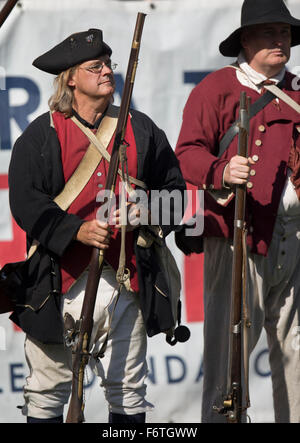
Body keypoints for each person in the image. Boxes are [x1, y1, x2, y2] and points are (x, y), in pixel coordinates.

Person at [8, 28, 186, 423]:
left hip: (129, 280)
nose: (107, 71)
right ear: (71, 78)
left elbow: (177, 193)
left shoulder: (141, 129)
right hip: (60, 281)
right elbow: (25, 202)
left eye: (108, 64)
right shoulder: (41, 135)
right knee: (48, 393)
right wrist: (76, 230)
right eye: (96, 66)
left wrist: (144, 209)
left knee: (128, 390)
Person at [175, 0, 300, 423]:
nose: (280, 40)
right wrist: (222, 169)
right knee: (230, 357)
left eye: (284, 32)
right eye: (269, 32)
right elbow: (187, 153)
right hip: (237, 236)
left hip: (292, 239)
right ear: (246, 41)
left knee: (295, 351)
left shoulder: (299, 91)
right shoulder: (217, 88)